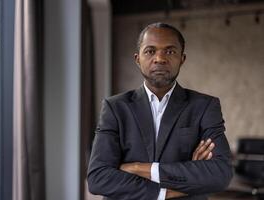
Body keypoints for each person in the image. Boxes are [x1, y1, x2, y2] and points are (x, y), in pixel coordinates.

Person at [87, 22, 232, 200]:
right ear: (137, 59)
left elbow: (221, 174)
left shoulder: (205, 106)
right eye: (150, 51)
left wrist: (139, 168)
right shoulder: (115, 107)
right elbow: (98, 178)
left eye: (170, 51)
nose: (160, 58)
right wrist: (166, 191)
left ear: (182, 59)